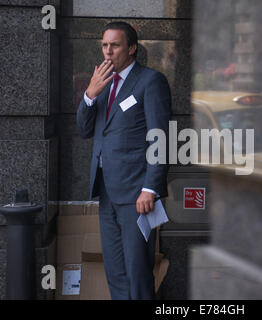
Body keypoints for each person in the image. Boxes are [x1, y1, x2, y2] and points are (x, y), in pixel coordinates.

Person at [76, 21, 171, 300]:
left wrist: (150, 188)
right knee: (115, 272)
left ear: (131, 48)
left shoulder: (150, 81)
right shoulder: (102, 84)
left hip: (136, 194)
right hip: (107, 191)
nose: (107, 52)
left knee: (137, 272)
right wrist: (89, 96)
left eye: (114, 45)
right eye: (104, 45)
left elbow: (160, 138)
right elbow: (83, 130)